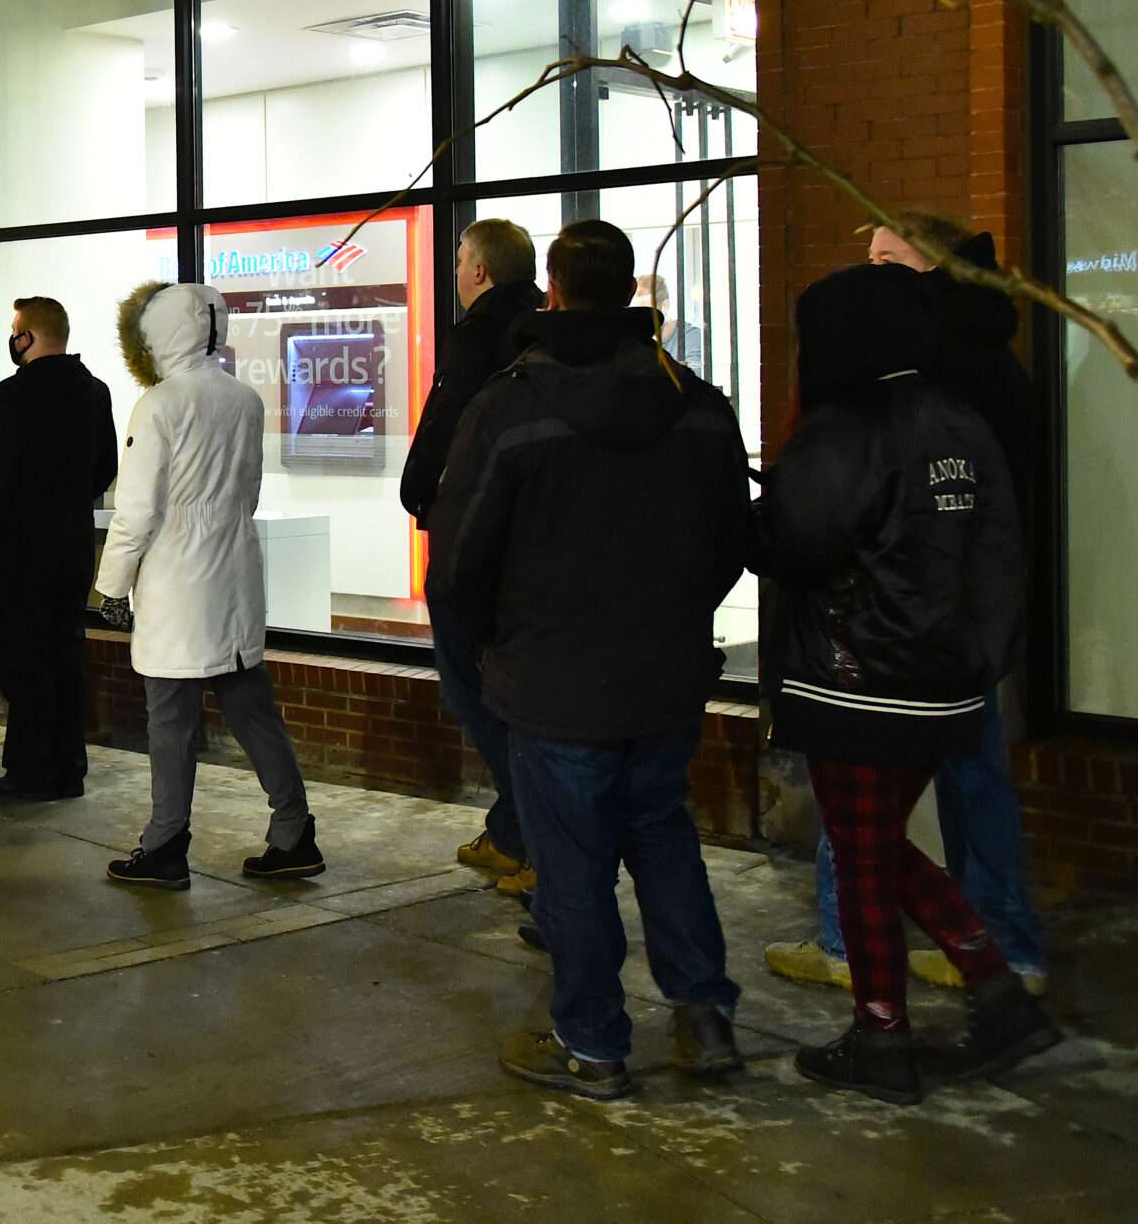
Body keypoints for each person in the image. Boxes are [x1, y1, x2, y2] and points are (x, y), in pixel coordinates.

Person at [429, 220, 749, 1100]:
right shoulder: (697, 401)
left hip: (552, 679)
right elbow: (733, 541)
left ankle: (594, 1041)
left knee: (572, 864)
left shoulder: (513, 404)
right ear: (633, 292)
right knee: (663, 836)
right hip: (665, 674)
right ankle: (704, 1015)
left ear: (556, 293)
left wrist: (503, 637)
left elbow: (457, 558)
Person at [757, 262, 1060, 1104]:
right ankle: (997, 991)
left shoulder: (848, 427)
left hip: (858, 684)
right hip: (951, 687)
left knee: (863, 860)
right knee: (879, 847)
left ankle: (882, 1032)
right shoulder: (961, 419)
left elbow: (791, 545)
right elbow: (1001, 551)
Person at [96, 282, 323, 892]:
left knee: (170, 719)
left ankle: (165, 844)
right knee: (251, 709)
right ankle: (294, 831)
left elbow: (137, 508)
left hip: (178, 581)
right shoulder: (245, 400)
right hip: (236, 571)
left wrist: (112, 584)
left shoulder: (159, 405)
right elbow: (248, 493)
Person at [399, 218, 543, 886]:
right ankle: (515, 826)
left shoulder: (479, 334)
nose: (455, 271)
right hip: (529, 543)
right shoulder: (546, 327)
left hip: (473, 535)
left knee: (470, 685)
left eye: (459, 260)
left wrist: (418, 491)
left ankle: (528, 830)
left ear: (481, 271)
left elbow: (447, 422)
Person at [0, 295, 118, 801]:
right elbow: (105, 468)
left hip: (19, 550)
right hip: (73, 545)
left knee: (24, 662)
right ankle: (68, 767)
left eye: (15, 331)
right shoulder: (95, 392)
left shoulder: (9, 397)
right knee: (66, 653)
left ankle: (29, 769)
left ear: (27, 338)